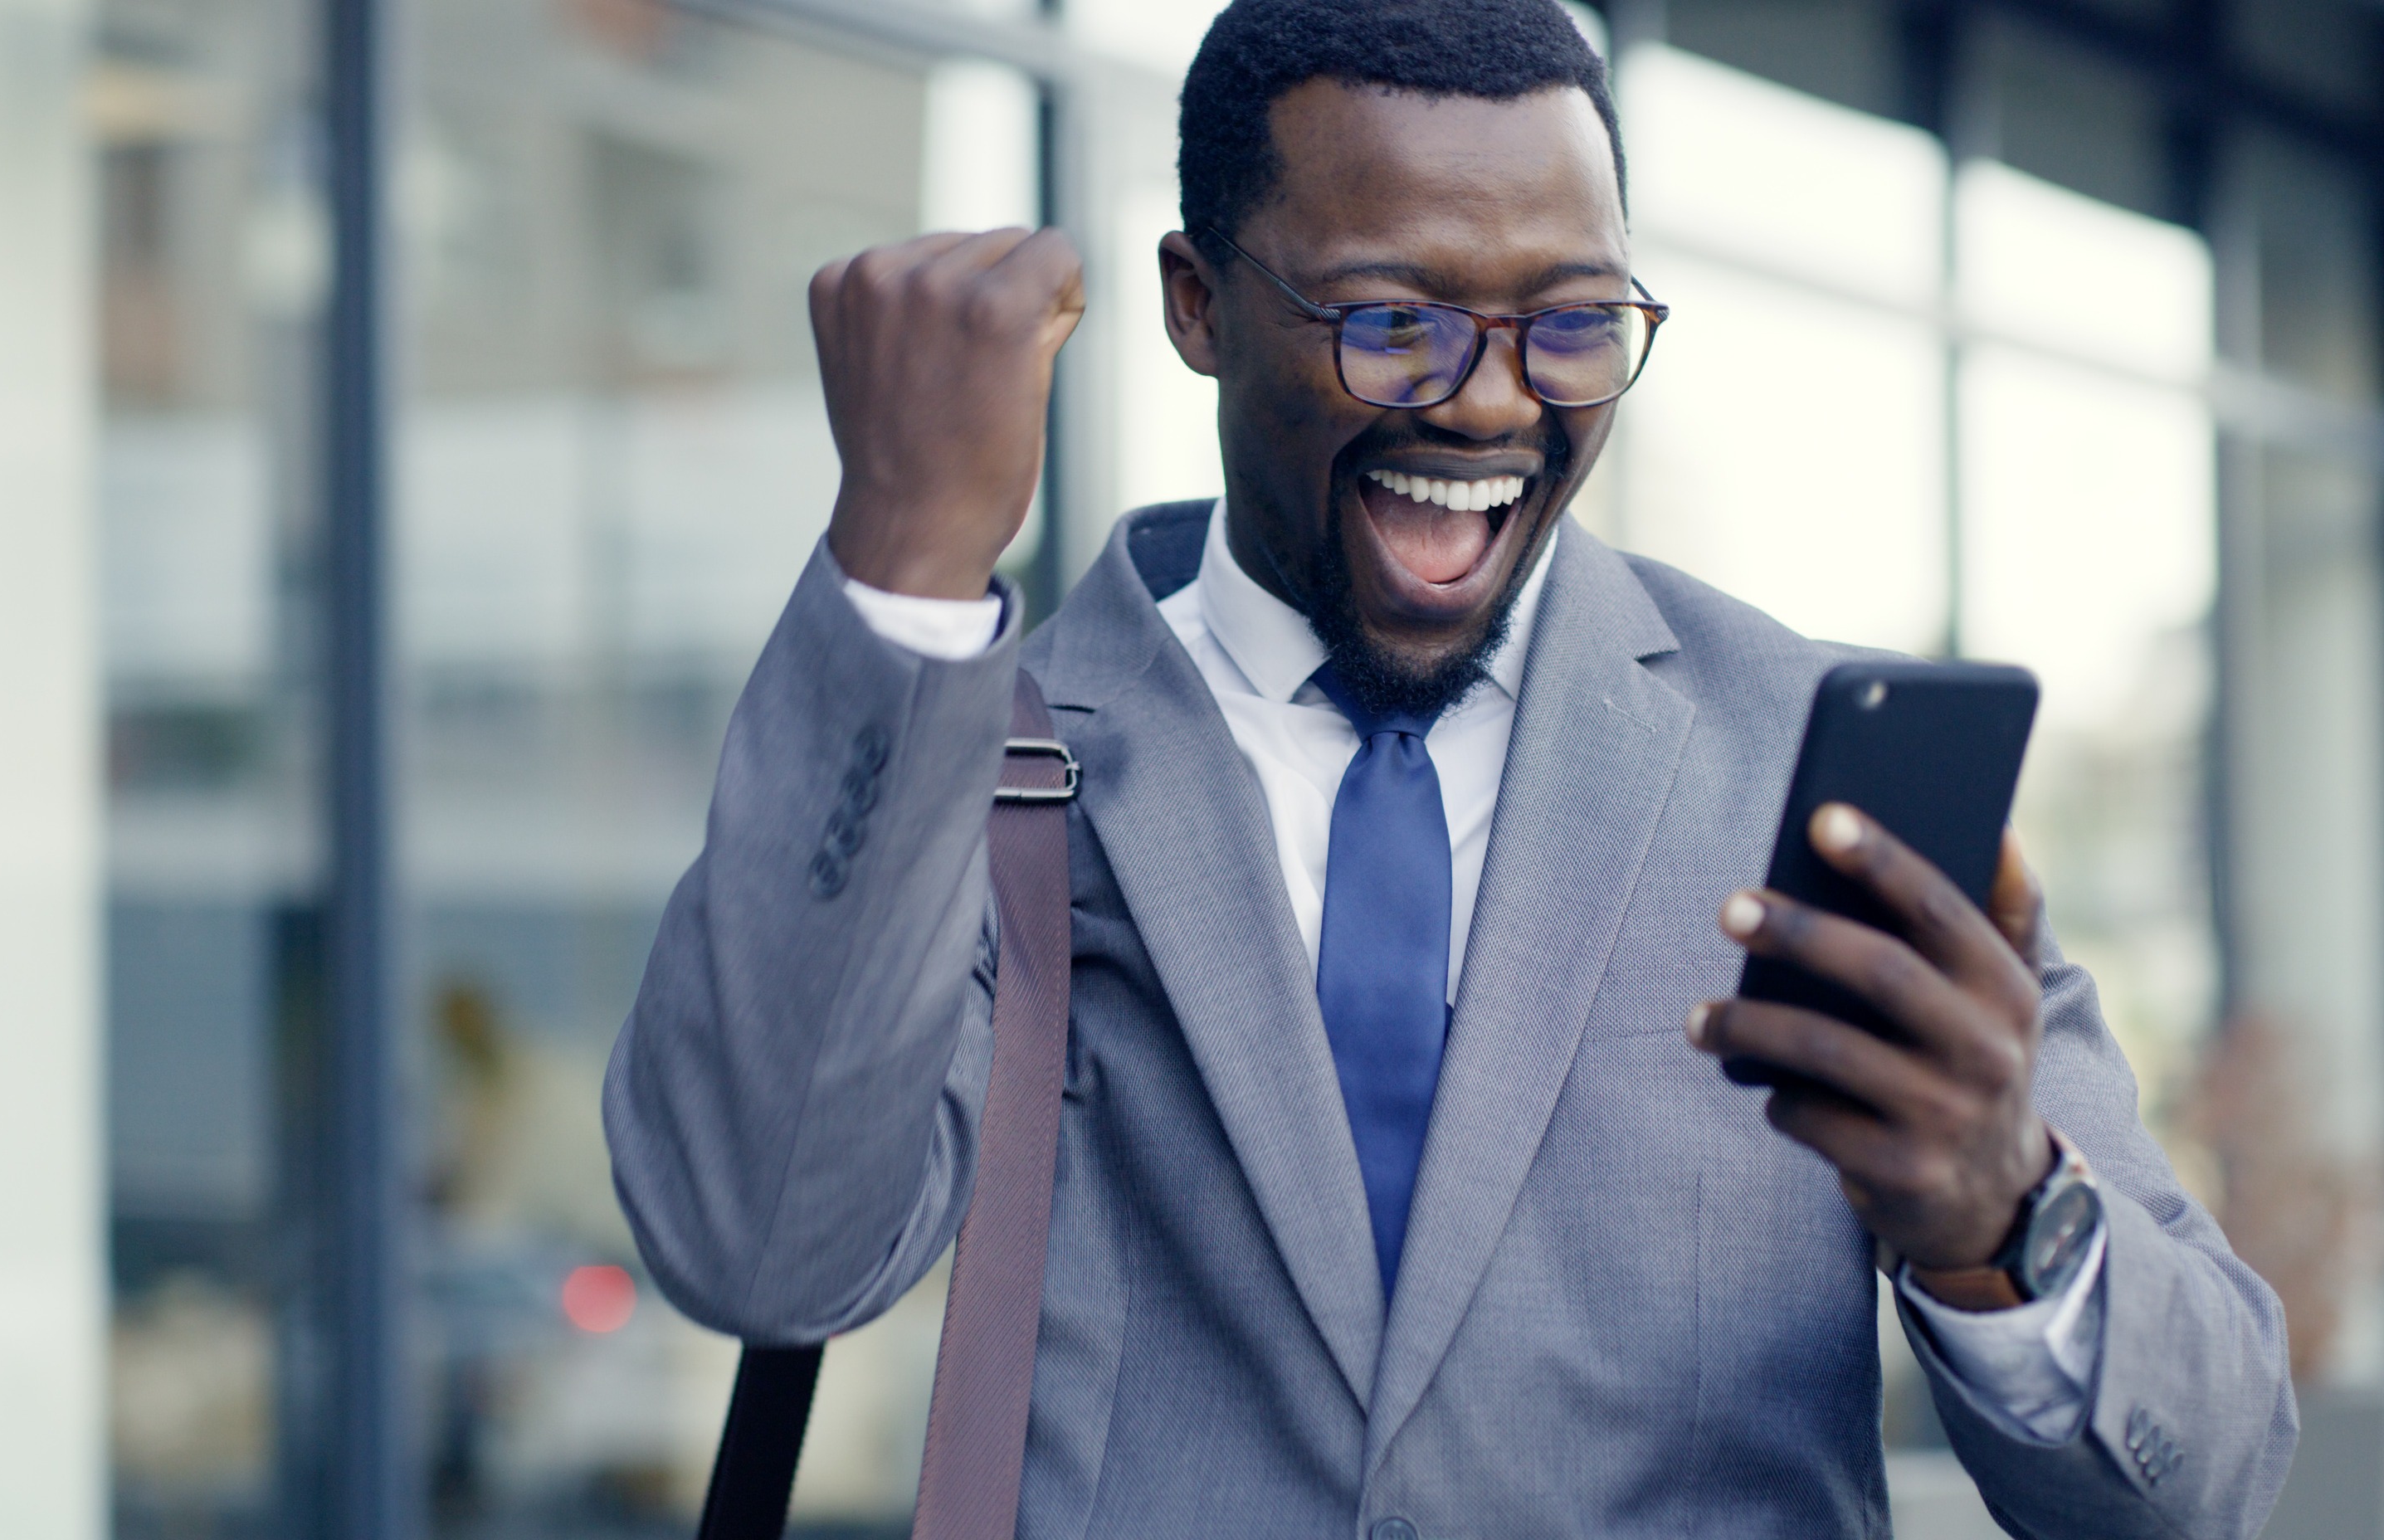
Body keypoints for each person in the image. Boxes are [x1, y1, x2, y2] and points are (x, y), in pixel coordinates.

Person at [606, 0, 2296, 1532]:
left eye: (1566, 326)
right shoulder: (988, 759)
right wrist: (899, 565)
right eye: (1392, 321)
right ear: (1199, 304)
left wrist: (2003, 1222)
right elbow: (754, 1245)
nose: (1489, 406)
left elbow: (2201, 1479)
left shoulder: (1804, 766)